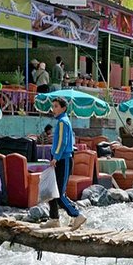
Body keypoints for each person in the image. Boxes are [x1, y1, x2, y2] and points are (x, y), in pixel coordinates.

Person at [42, 97, 86, 229]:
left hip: (63, 159)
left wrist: (56, 157)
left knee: (59, 194)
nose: (53, 109)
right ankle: (54, 219)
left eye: (56, 106)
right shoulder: (62, 121)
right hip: (59, 159)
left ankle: (77, 215)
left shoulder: (62, 122)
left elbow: (63, 142)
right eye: (53, 106)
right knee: (51, 191)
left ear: (63, 108)